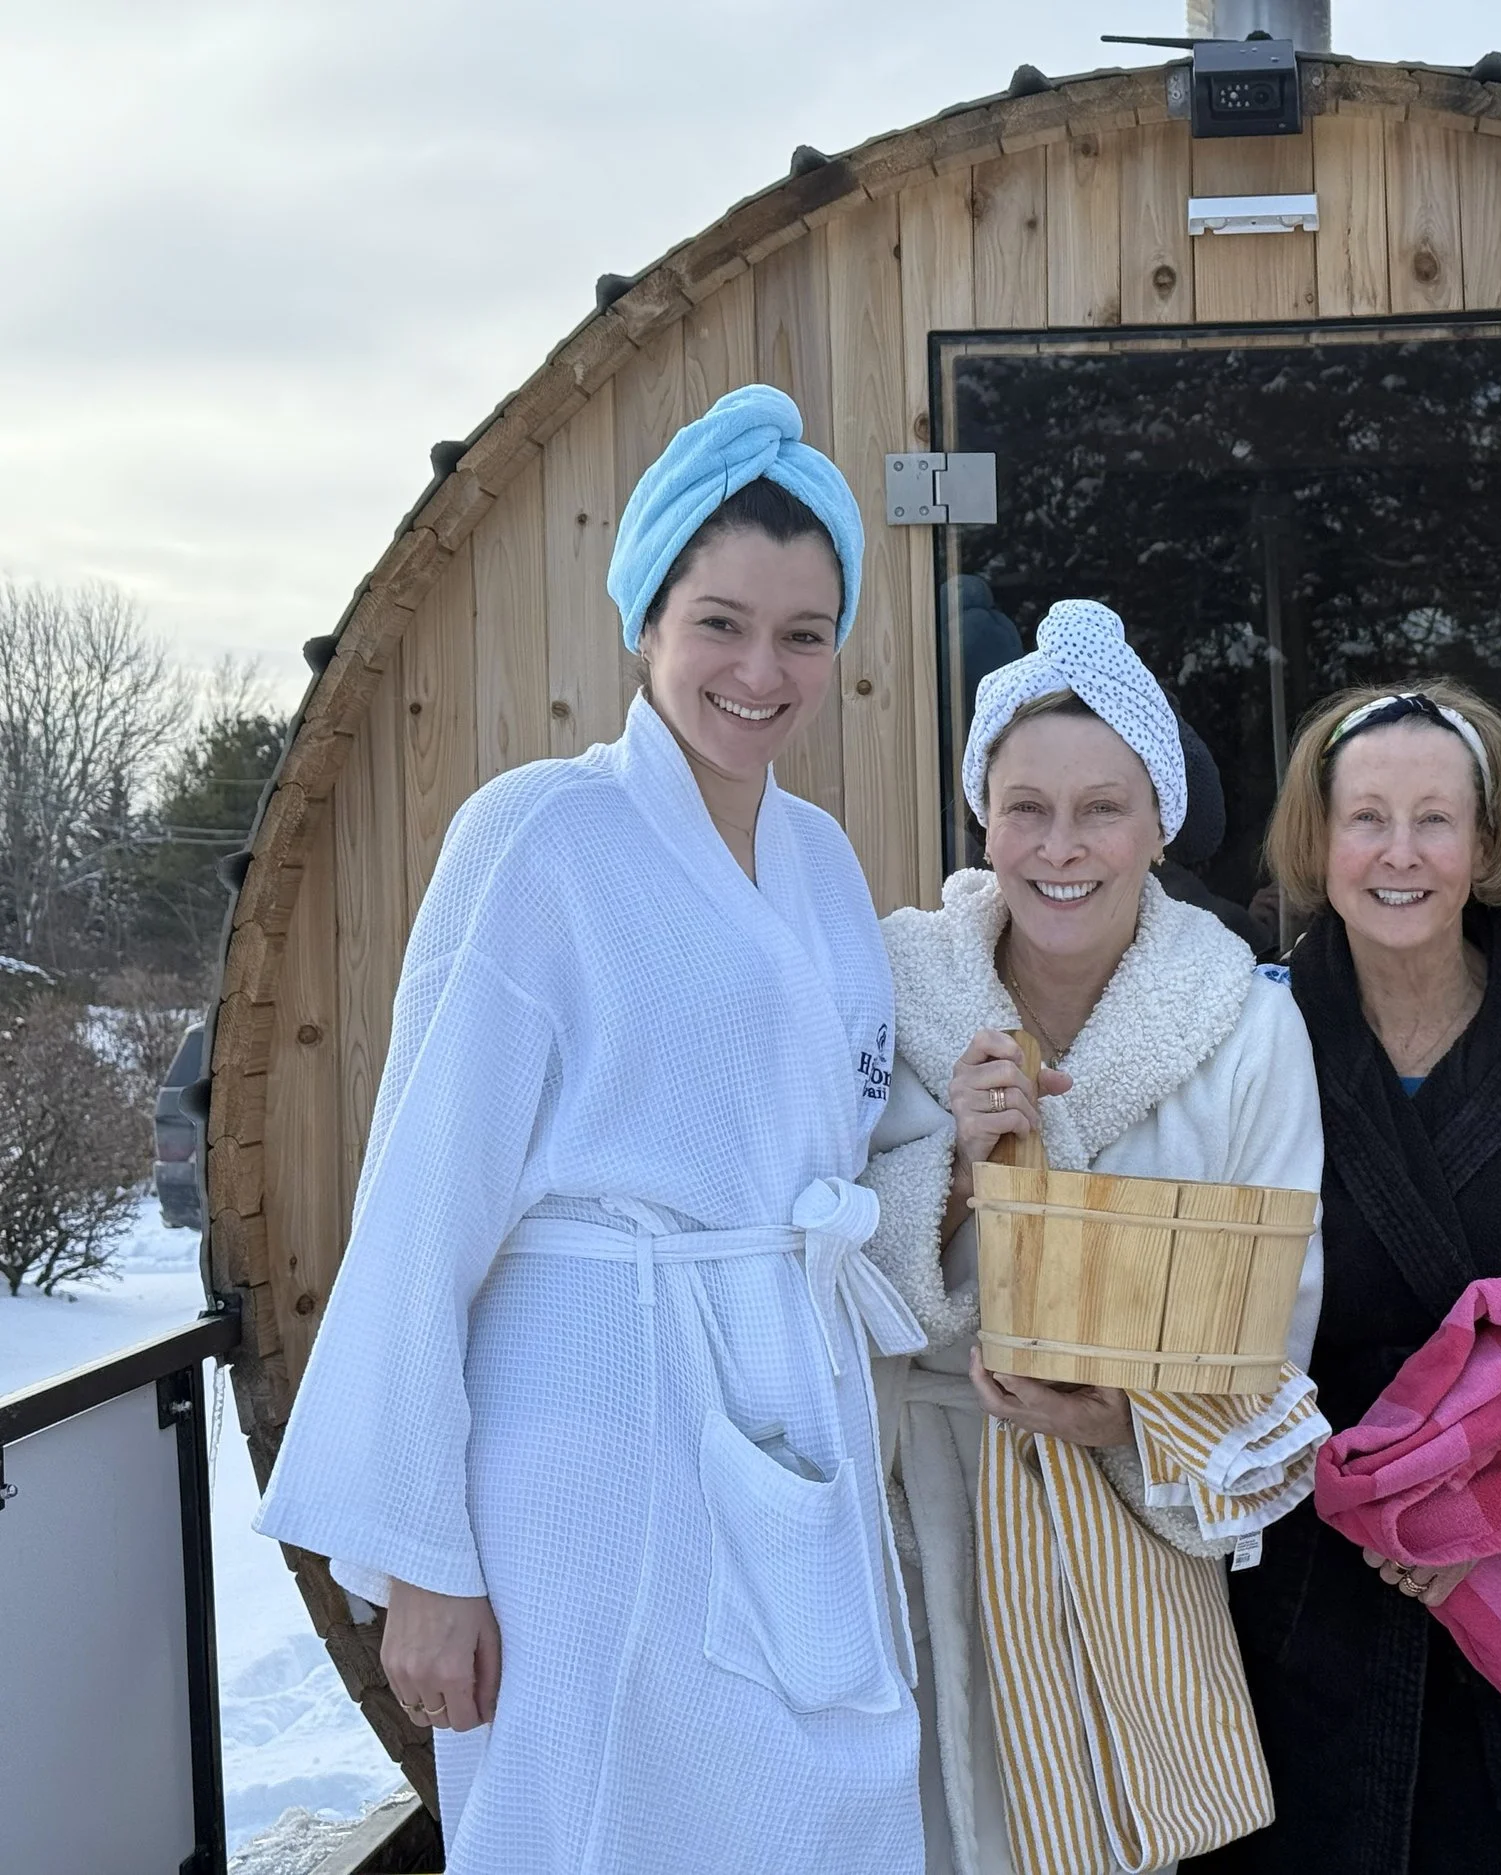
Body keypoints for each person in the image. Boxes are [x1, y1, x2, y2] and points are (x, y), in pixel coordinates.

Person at [255, 386, 926, 1871]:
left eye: (804, 632)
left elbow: (845, 1134)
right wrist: (427, 1560)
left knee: (830, 1802)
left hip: (782, 1407)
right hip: (586, 1425)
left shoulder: (817, 861)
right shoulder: (539, 834)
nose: (762, 669)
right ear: (646, 621)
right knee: (598, 1806)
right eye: (720, 621)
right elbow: (427, 1197)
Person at [858, 598, 1325, 1875]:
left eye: (1101, 808)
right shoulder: (893, 993)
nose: (1060, 847)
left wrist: (1123, 1423)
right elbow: (810, 1258)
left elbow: (1274, 1332)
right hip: (918, 1501)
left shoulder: (1240, 1028)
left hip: (1122, 1515)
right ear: (981, 814)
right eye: (1026, 806)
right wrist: (953, 1166)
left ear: (1160, 823)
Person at [1190, 682, 1501, 1875]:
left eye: (1433, 821)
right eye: (1366, 819)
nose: (1397, 855)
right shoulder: (1248, 1036)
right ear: (1318, 840)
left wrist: (1491, 1531)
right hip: (1306, 1587)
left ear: (1487, 842)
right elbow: (1201, 1304)